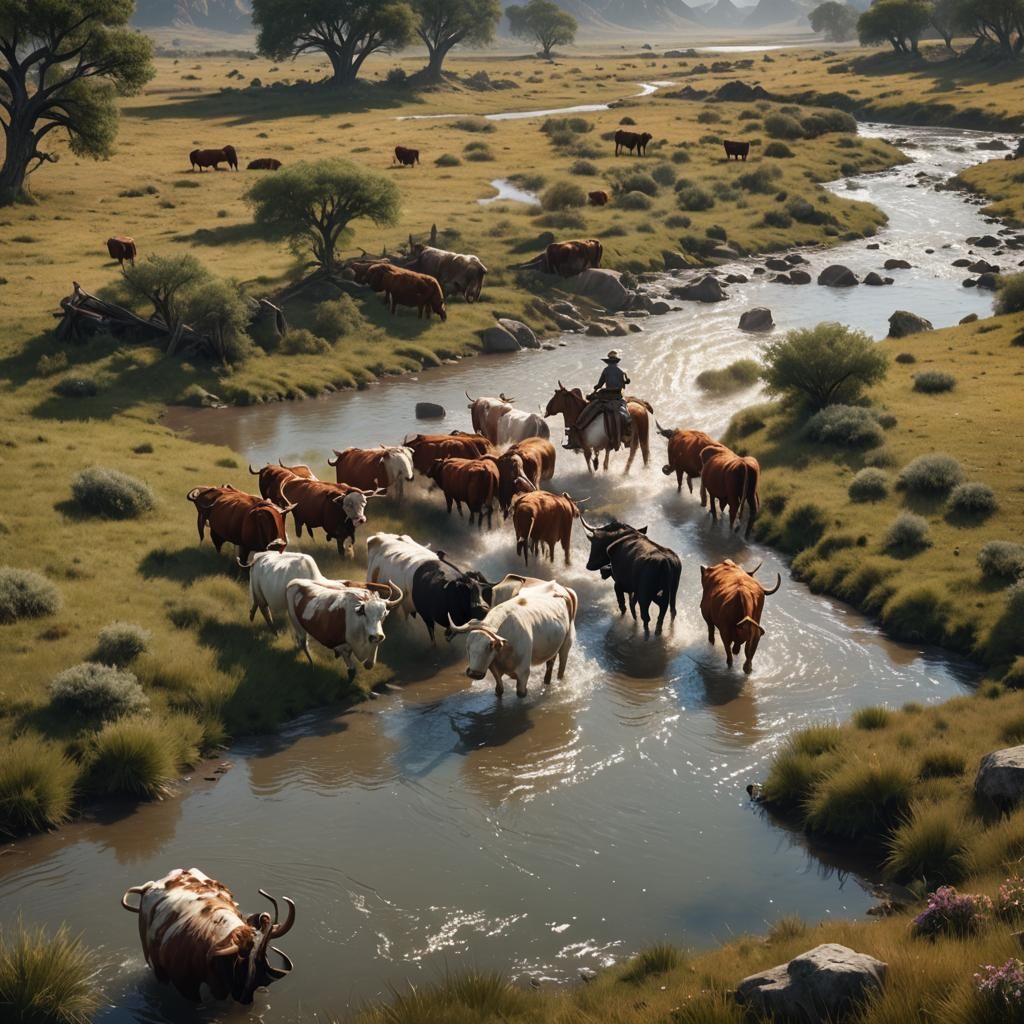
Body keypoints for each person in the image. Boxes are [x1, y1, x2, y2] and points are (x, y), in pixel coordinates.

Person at [565, 350, 632, 450]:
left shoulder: (605, 370)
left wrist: (595, 388)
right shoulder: (621, 372)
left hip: (607, 396)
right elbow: (623, 386)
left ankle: (578, 427)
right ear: (616, 362)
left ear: (609, 361)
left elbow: (600, 384)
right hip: (618, 397)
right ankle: (628, 436)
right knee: (626, 413)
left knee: (590, 409)